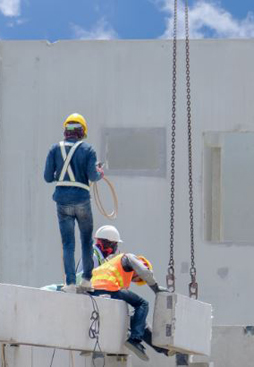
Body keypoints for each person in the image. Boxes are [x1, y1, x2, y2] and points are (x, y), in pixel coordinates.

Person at [44, 113, 104, 294]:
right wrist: (100, 172)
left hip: (62, 202)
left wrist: (60, 176)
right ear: (82, 131)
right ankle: (86, 280)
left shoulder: (55, 150)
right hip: (82, 200)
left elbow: (47, 177)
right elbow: (93, 176)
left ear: (65, 131)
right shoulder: (88, 150)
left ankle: (70, 283)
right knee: (86, 241)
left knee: (68, 244)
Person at [90, 233, 168, 362]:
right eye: (138, 278)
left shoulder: (111, 265)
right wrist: (156, 288)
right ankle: (134, 340)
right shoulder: (129, 258)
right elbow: (144, 271)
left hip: (93, 292)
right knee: (142, 304)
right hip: (108, 288)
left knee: (132, 318)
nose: (135, 279)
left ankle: (160, 348)